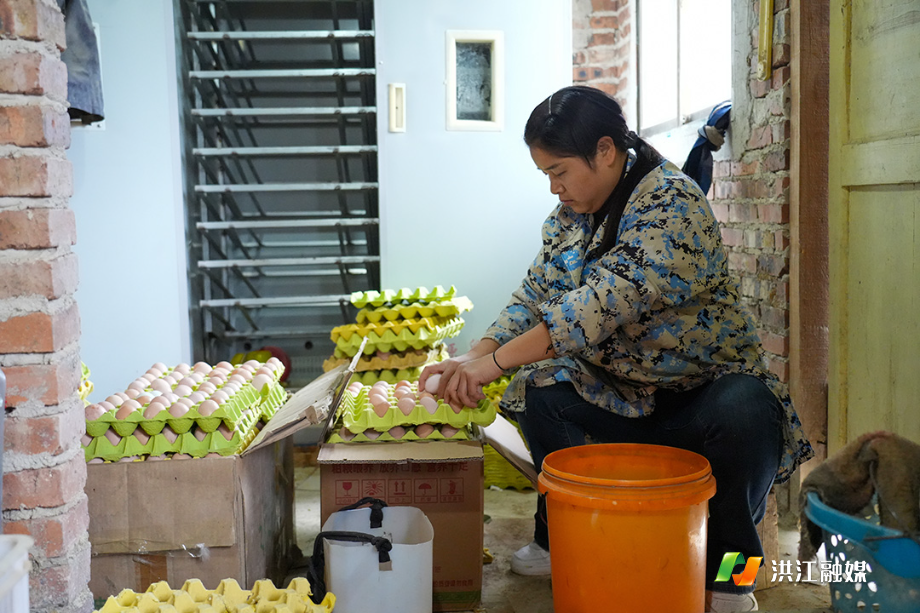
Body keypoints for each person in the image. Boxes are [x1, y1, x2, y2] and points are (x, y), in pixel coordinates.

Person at [419, 85, 814, 613]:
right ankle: (560, 535)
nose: (554, 187)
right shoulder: (571, 214)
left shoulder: (671, 204)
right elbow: (535, 293)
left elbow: (596, 306)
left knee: (748, 410)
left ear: (605, 151)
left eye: (559, 171)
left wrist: (490, 365)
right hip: (620, 394)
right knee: (539, 389)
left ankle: (730, 581)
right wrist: (474, 356)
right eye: (546, 175)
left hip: (699, 397)